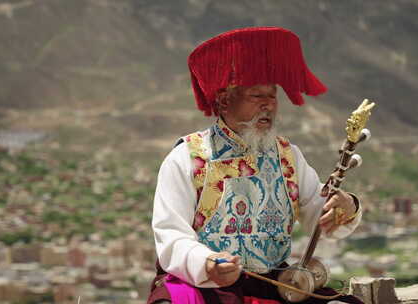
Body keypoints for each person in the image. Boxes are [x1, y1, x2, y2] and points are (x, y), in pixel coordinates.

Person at [147, 27, 364, 304]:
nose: (268, 106)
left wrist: (346, 206)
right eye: (256, 96)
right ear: (225, 101)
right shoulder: (187, 158)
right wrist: (209, 263)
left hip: (273, 282)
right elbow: (171, 234)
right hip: (206, 283)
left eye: (272, 96)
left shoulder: (288, 156)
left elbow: (317, 215)